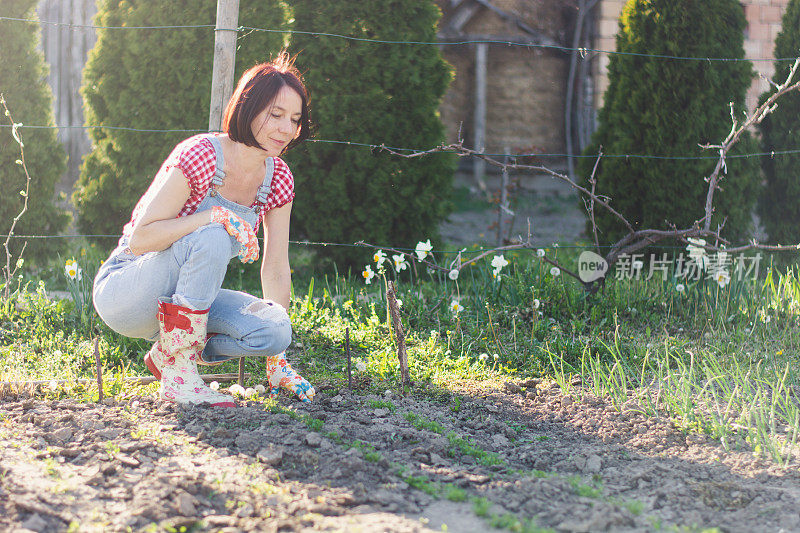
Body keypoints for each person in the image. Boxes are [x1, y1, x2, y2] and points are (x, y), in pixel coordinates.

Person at [92, 53, 315, 407]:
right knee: (212, 234)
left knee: (275, 328)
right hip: (128, 289)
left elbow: (275, 266)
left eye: (295, 119)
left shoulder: (279, 179)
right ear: (248, 107)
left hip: (187, 303)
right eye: (276, 115)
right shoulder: (202, 154)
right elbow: (141, 239)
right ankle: (180, 375)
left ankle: (169, 352)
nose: (287, 129)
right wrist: (212, 218)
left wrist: (278, 360)